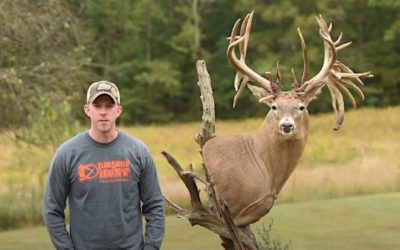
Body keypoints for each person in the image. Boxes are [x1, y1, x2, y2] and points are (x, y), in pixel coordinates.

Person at [43, 81, 165, 250]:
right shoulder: (67, 154)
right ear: (87, 110)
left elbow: (155, 206)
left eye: (109, 106)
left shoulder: (138, 152)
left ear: (118, 110)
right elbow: (52, 210)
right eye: (97, 105)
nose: (103, 112)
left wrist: (151, 247)